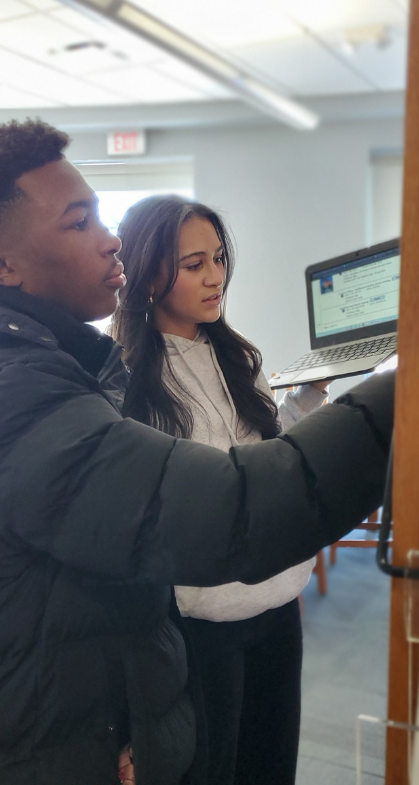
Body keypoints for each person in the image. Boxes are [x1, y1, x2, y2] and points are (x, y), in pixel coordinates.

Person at [0, 119, 395, 785]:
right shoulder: (2, 396)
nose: (110, 240)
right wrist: (406, 386)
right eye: (79, 224)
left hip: (75, 726)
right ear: (1, 267)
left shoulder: (49, 369)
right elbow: (233, 508)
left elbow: (86, 588)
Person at [111, 196, 328, 785]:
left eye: (220, 259)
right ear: (148, 272)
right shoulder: (128, 380)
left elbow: (263, 457)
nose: (216, 277)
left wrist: (308, 400)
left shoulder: (238, 355)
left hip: (278, 597)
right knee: (213, 771)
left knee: (271, 762)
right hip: (199, 620)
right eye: (194, 264)